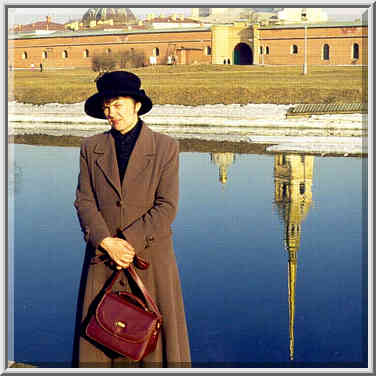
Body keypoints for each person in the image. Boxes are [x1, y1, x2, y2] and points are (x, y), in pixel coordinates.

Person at [73, 71, 191, 368]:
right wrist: (106, 242)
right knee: (99, 340)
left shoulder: (166, 147)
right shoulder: (90, 148)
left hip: (149, 260)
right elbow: (84, 201)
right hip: (103, 258)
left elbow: (167, 206)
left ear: (137, 104)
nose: (111, 113)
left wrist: (126, 243)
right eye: (106, 107)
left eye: (117, 105)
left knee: (153, 346)